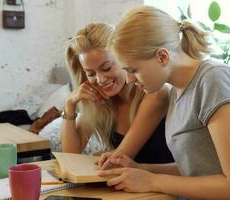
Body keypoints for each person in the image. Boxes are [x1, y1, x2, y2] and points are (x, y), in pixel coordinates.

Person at [98, 6, 230, 200]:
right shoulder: (176, 93)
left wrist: (152, 181)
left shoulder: (215, 80)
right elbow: (199, 169)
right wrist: (140, 169)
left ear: (162, 57)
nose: (129, 80)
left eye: (133, 70)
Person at [60, 23, 174, 165]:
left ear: (123, 58)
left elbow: (119, 159)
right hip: (128, 184)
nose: (100, 80)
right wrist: (69, 104)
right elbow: (70, 155)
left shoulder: (156, 93)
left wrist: (107, 155)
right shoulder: (101, 101)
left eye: (107, 68)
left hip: (165, 184)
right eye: (90, 73)